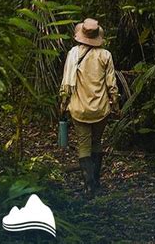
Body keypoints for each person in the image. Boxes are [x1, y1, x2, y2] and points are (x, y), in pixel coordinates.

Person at [59, 18, 120, 197]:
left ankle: (89, 186)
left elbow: (66, 84)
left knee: (83, 146)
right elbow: (111, 84)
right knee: (97, 143)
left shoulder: (73, 54)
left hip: (78, 109)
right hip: (101, 109)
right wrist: (115, 103)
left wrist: (63, 103)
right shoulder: (105, 55)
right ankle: (97, 181)